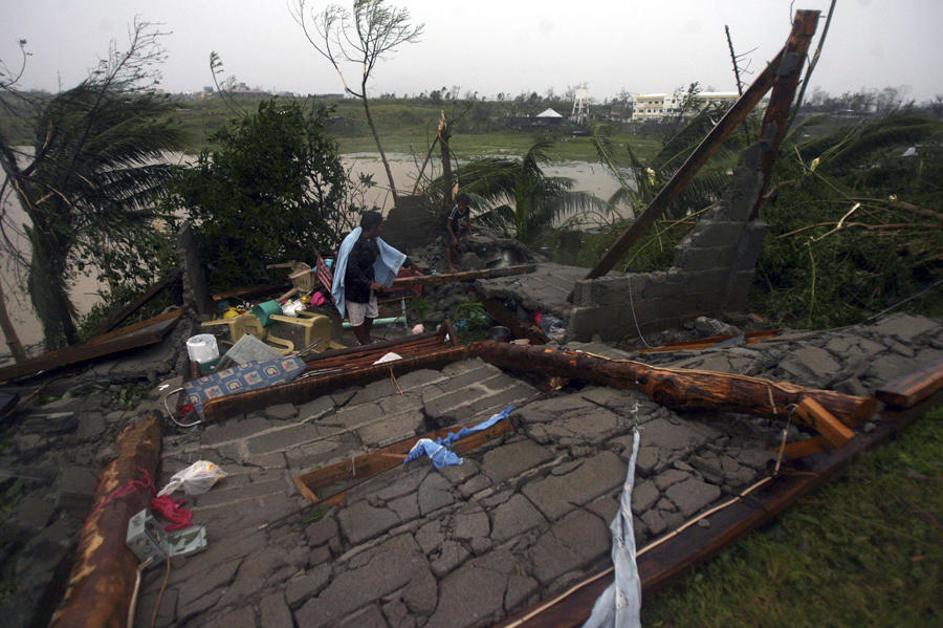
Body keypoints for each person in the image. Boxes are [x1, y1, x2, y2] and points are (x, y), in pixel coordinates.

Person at [331, 211, 407, 345]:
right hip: (354, 286)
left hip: (368, 281)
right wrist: (369, 284)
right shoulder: (353, 244)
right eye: (380, 226)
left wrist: (408, 264)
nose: (382, 229)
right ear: (372, 227)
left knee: (371, 312)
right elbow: (351, 268)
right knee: (357, 317)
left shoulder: (372, 240)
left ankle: (365, 339)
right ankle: (364, 342)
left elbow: (389, 253)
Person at [446, 193, 472, 271]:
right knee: (450, 245)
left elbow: (468, 221)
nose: (463, 206)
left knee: (456, 245)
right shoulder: (454, 210)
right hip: (447, 227)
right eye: (461, 203)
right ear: (458, 202)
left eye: (464, 204)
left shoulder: (467, 209)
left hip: (455, 226)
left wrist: (470, 232)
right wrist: (453, 237)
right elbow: (448, 225)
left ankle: (454, 262)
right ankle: (450, 265)